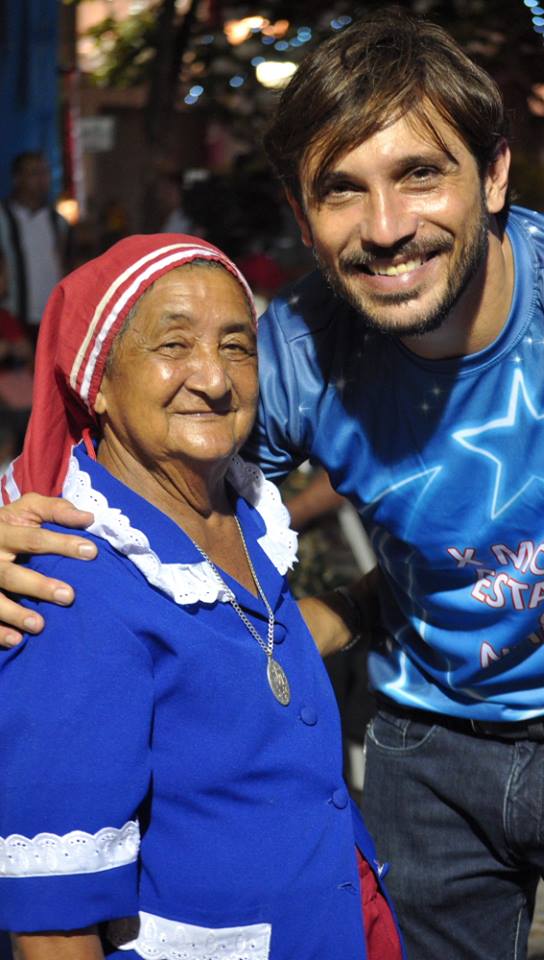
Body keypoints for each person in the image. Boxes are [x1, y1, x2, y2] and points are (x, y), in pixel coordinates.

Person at [1, 7, 544, 958]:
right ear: (302, 218)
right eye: (342, 190)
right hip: (422, 747)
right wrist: (14, 527)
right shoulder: (286, 353)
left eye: (419, 174)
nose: (385, 228)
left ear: (494, 173)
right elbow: (135, 473)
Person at [0, 234, 403, 959]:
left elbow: (243, 663)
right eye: (174, 345)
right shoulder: (71, 580)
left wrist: (385, 595)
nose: (214, 378)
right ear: (97, 382)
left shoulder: (240, 517)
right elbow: (56, 919)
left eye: (236, 346)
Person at [0, 151, 71, 342]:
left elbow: (65, 263)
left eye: (45, 172)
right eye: (34, 173)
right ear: (17, 178)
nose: (42, 179)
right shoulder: (4, 218)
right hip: (13, 316)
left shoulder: (58, 222)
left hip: (51, 318)